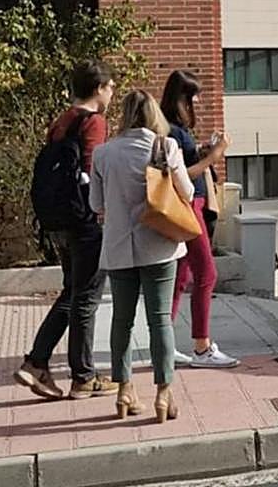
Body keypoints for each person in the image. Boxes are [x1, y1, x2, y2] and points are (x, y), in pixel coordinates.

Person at [13, 60, 119, 401]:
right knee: (86, 297)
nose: (113, 93)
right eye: (110, 87)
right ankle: (83, 377)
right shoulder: (94, 122)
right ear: (99, 88)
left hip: (58, 220)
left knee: (72, 292)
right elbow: (93, 169)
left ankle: (36, 362)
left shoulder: (62, 120)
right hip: (86, 221)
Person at [92, 90, 193, 422]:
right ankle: (163, 393)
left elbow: (96, 204)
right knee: (159, 319)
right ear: (153, 114)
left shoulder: (103, 153)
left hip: (119, 246)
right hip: (159, 243)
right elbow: (187, 191)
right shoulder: (165, 147)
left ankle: (124, 389)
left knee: (121, 320)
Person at [159, 70, 238, 369]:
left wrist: (202, 150)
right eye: (192, 97)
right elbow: (180, 175)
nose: (196, 103)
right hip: (188, 207)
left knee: (180, 276)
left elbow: (185, 162)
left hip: (193, 205)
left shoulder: (176, 129)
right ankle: (202, 347)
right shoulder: (171, 131)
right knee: (206, 273)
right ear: (180, 99)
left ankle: (163, 344)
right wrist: (214, 156)